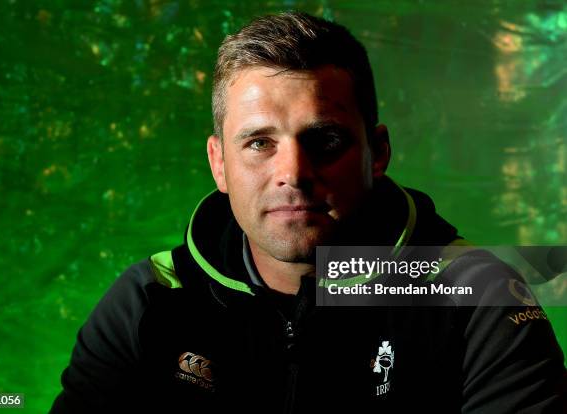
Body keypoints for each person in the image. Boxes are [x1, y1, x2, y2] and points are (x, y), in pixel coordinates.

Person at [50, 12, 566, 413]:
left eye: (326, 140)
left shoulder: (479, 302)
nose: (293, 172)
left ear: (378, 152)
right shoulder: (149, 303)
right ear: (218, 163)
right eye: (259, 142)